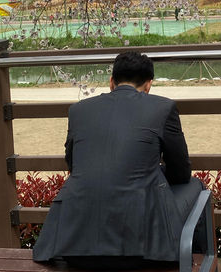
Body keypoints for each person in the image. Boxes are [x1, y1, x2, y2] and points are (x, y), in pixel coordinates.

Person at [33, 51, 204, 268]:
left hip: (72, 246)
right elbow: (180, 172)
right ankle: (197, 262)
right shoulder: (163, 107)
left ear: (111, 82)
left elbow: (74, 166)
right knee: (198, 187)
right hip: (144, 250)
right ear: (149, 84)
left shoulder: (78, 110)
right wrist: (153, 170)